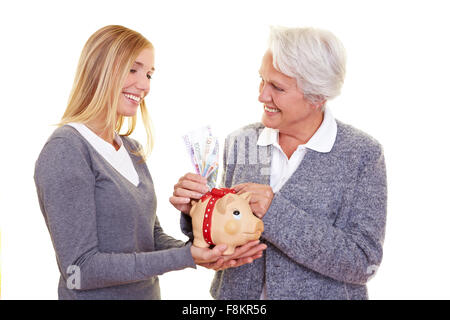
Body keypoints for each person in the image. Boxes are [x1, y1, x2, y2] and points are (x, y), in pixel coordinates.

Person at [34, 25, 264, 300]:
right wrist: (186, 256)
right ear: (100, 69)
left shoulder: (131, 149)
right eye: (133, 69)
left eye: (149, 74)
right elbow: (80, 269)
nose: (144, 85)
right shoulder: (67, 150)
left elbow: (149, 239)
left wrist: (203, 251)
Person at [170, 26, 387, 300]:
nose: (262, 95)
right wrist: (197, 210)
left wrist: (274, 212)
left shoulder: (362, 154)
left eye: (278, 87)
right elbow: (222, 235)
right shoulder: (241, 141)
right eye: (262, 80)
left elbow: (362, 261)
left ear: (317, 97)